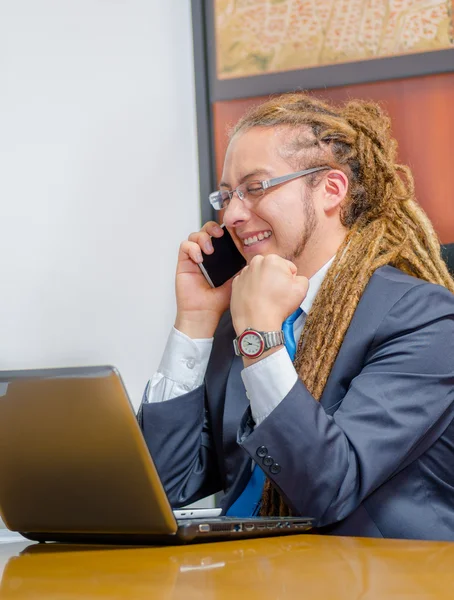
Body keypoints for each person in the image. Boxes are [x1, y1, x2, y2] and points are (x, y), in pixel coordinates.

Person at [138, 93, 454, 540]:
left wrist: (260, 342)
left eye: (256, 187)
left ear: (330, 189)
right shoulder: (244, 315)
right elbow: (165, 485)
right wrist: (195, 318)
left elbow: (329, 488)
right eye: (226, 195)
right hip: (251, 572)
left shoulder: (424, 318)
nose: (231, 214)